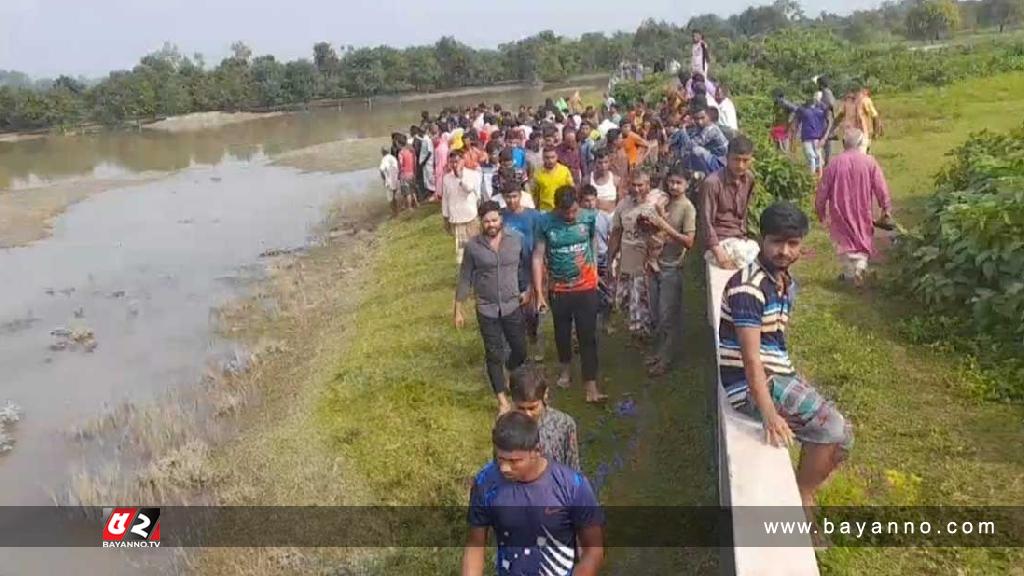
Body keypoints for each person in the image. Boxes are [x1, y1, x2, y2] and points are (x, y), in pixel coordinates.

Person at [718, 201, 853, 513]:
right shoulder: (749, 288)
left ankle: (799, 491)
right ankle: (799, 504)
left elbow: (774, 342)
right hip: (750, 384)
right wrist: (769, 413)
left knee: (844, 436)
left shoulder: (783, 281)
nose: (784, 251)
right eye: (776, 242)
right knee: (830, 428)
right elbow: (751, 360)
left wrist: (793, 379)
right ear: (761, 240)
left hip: (777, 373)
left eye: (793, 243)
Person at [462, 412, 605, 576]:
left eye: (515, 461)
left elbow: (593, 551)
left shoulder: (572, 485)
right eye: (501, 459)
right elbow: (475, 545)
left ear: (537, 450)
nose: (504, 468)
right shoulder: (485, 483)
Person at [533, 187, 608, 404]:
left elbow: (593, 241)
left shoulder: (588, 218)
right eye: (566, 213)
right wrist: (539, 292)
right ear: (557, 208)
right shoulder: (545, 223)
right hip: (559, 289)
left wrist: (593, 267)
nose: (571, 216)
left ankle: (591, 384)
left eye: (574, 211)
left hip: (585, 287)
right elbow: (538, 256)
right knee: (562, 332)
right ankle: (565, 369)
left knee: (588, 335)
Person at [455, 201, 530, 415]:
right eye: (486, 221)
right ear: (481, 222)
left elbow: (524, 266)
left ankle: (509, 369)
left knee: (520, 349)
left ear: (501, 220)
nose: (491, 224)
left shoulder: (516, 241)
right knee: (493, 353)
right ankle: (503, 401)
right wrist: (458, 309)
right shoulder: (473, 247)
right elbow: (464, 277)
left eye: (494, 220)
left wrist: (528, 289)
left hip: (512, 305)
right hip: (487, 308)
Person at [815, 129, 893, 287]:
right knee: (862, 239)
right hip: (862, 209)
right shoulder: (869, 162)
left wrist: (820, 211)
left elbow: (822, 190)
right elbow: (881, 187)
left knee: (844, 241)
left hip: (839, 209)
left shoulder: (834, 163)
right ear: (860, 144)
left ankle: (850, 272)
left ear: (844, 144)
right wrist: (886, 207)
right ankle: (859, 269)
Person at [645, 167, 697, 377]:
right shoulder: (665, 201)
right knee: (657, 312)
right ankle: (660, 353)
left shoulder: (687, 208)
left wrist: (663, 226)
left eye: (679, 183)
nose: (674, 186)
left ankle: (666, 359)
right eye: (671, 182)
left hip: (672, 266)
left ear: (687, 184)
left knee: (668, 315)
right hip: (656, 263)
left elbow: (689, 241)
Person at [607, 171, 663, 341]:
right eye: (634, 185)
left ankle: (646, 337)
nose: (637, 189)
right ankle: (638, 330)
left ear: (648, 185)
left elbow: (663, 234)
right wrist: (610, 260)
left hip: (646, 261)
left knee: (643, 300)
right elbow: (616, 232)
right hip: (626, 261)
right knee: (624, 300)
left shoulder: (655, 205)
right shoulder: (623, 205)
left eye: (641, 185)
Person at [699, 135, 759, 271]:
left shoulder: (749, 179)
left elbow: (744, 213)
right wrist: (718, 251)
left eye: (745, 160)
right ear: (727, 158)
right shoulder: (712, 183)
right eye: (736, 160)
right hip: (719, 241)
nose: (740, 165)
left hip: (740, 238)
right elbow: (706, 221)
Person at [501, 182, 544, 360]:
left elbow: (540, 242)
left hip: (530, 264)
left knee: (531, 310)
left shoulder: (533, 216)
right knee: (513, 310)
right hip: (509, 268)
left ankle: (532, 334)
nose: (512, 200)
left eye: (514, 196)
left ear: (521, 195)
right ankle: (517, 348)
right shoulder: (501, 216)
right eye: (508, 197)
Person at [508, 364, 580, 471]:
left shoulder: (564, 424)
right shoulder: (507, 427)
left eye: (532, 408)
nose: (527, 414)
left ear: (545, 395)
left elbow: (572, 465)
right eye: (520, 408)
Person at [580, 185, 615, 334]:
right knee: (586, 297)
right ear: (581, 202)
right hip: (585, 261)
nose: (590, 204)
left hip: (603, 258)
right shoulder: (578, 219)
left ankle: (606, 323)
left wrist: (612, 259)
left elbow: (611, 237)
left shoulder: (604, 217)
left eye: (592, 200)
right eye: (586, 201)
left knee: (608, 294)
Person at [442, 149, 483, 265]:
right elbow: (445, 199)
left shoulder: (473, 175)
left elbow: (469, 189)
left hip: (471, 216)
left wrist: (460, 177)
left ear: (463, 161)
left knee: (476, 248)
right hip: (457, 219)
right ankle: (465, 276)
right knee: (461, 252)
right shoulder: (446, 178)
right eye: (451, 162)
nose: (454, 165)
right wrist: (445, 218)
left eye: (456, 161)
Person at [777, 94, 831, 178]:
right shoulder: (820, 112)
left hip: (807, 138)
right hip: (817, 138)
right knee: (818, 157)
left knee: (811, 158)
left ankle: (811, 177)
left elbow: (792, 107)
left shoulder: (804, 111)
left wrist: (782, 101)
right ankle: (820, 176)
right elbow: (827, 114)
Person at [671, 106, 729, 175]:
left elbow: (691, 145)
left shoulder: (711, 129)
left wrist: (683, 130)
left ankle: (704, 173)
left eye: (702, 118)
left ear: (709, 117)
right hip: (712, 156)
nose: (699, 121)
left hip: (719, 161)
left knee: (696, 150)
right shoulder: (701, 127)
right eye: (696, 119)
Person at [531, 147, 574, 212]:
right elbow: (535, 194)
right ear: (543, 158)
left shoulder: (564, 171)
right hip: (545, 210)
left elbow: (571, 189)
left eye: (552, 157)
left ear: (557, 157)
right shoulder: (537, 173)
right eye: (547, 158)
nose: (550, 160)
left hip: (562, 209)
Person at [588, 149, 622, 213]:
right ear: (595, 163)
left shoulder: (616, 180)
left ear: (609, 163)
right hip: (593, 218)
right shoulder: (588, 180)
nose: (603, 166)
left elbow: (620, 203)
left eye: (606, 162)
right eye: (600, 162)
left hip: (611, 218)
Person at [397, 134, 419, 210]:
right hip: (412, 173)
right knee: (412, 190)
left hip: (404, 174)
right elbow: (415, 162)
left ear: (399, 143)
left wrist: (399, 173)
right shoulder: (411, 151)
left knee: (407, 192)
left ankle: (409, 207)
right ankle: (416, 203)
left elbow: (400, 164)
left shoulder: (401, 153)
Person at [378, 147, 400, 218]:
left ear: (383, 153)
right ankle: (397, 212)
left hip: (389, 181)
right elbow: (397, 168)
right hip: (396, 180)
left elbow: (381, 170)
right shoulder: (393, 158)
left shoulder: (384, 159)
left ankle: (393, 213)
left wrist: (384, 179)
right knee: (395, 196)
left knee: (390, 198)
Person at [432, 124, 450, 201]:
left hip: (441, 164)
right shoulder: (444, 144)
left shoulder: (441, 145)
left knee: (440, 179)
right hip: (443, 162)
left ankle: (440, 195)